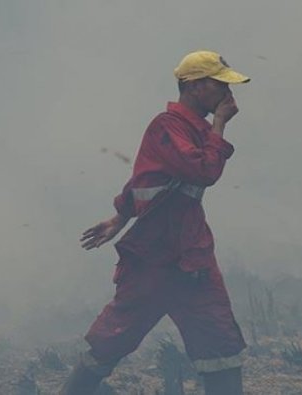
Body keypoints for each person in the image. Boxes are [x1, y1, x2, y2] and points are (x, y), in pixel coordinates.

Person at [61, 50, 250, 395]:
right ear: (194, 86)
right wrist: (220, 124)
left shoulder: (196, 130)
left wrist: (120, 215)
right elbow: (202, 171)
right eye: (219, 83)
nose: (227, 92)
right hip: (155, 258)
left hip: (192, 256)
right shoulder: (168, 127)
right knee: (111, 339)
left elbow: (151, 181)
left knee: (220, 342)